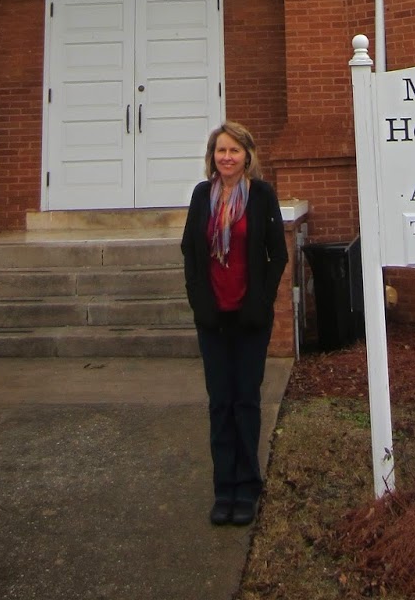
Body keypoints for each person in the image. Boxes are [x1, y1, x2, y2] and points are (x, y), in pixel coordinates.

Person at [181, 121, 288, 526]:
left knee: (245, 401)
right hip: (213, 318)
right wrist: (199, 301)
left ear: (247, 156)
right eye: (220, 151)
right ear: (212, 156)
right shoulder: (201, 196)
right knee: (219, 402)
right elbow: (191, 252)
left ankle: (247, 487)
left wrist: (260, 302)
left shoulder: (261, 196)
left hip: (249, 318)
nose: (226, 158)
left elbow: (276, 254)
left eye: (234, 151)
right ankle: (223, 487)